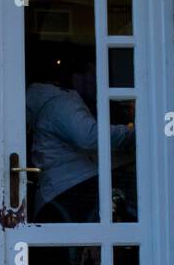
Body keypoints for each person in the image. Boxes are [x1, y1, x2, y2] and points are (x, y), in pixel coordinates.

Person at [25, 50, 134, 224]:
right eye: (94, 75)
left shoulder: (56, 101)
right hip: (70, 188)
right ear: (77, 76)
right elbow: (89, 137)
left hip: (63, 187)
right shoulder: (61, 103)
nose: (99, 82)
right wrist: (134, 133)